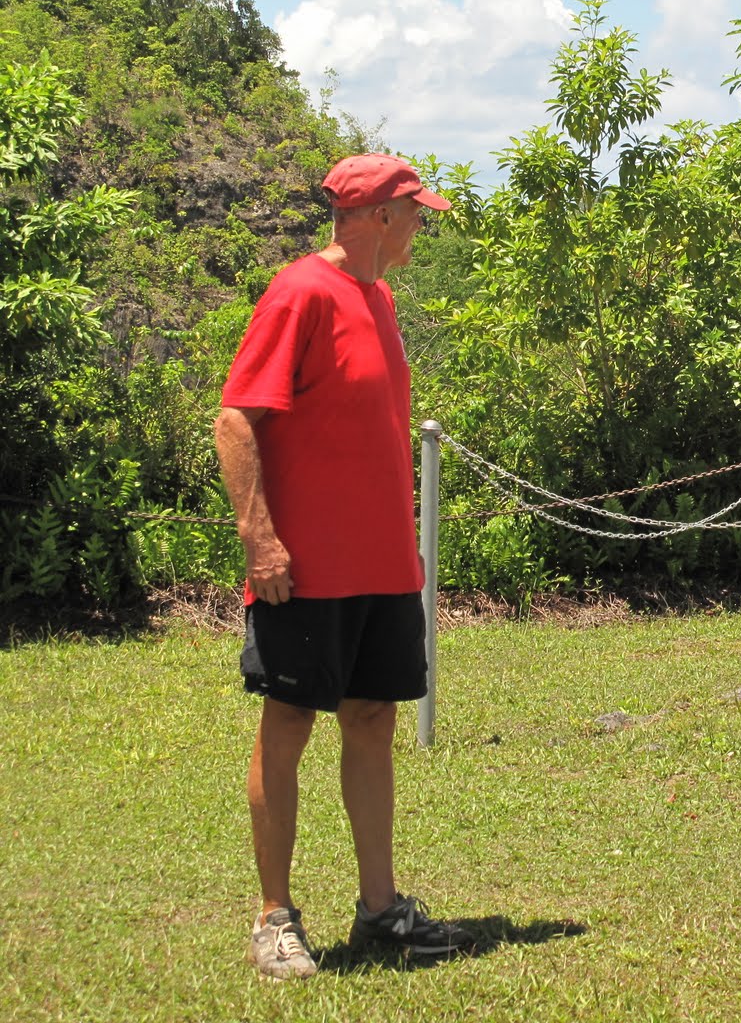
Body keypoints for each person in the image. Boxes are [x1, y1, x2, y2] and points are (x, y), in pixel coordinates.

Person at [215, 153, 468, 980]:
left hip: (382, 563)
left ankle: (379, 909)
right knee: (287, 725)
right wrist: (261, 538)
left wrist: (403, 542)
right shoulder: (300, 292)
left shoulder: (378, 296)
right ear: (380, 217)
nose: (423, 226)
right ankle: (273, 918)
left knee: (372, 719)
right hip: (304, 569)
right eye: (416, 212)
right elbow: (237, 419)